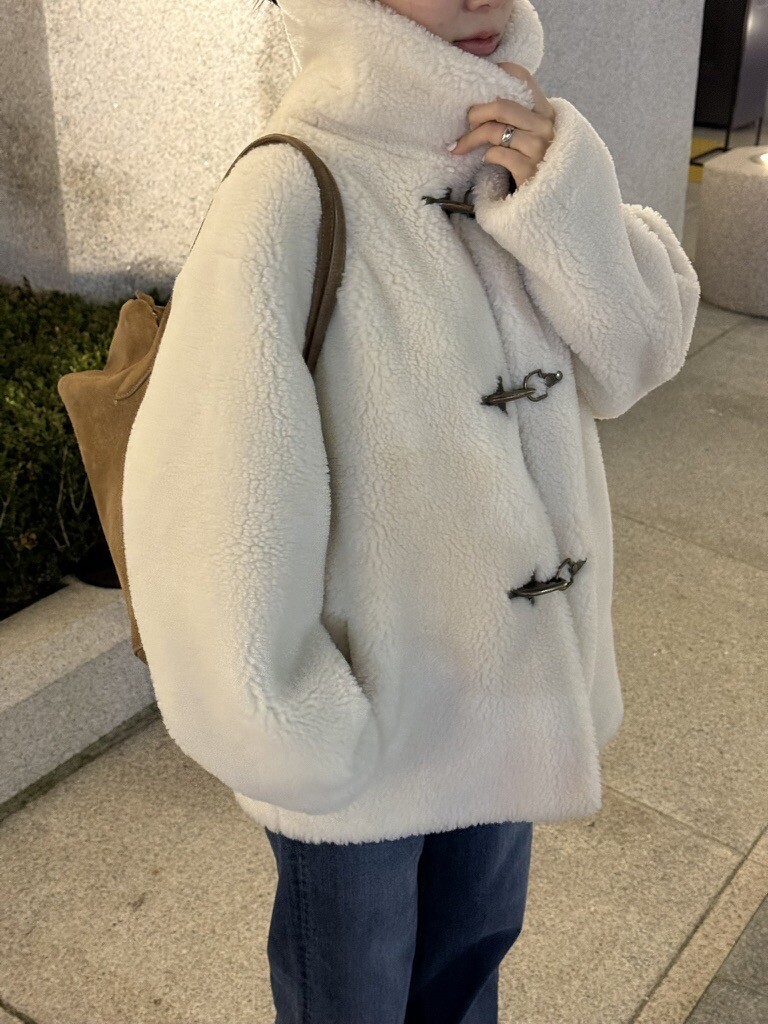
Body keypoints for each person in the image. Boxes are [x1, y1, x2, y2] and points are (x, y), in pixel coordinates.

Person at [121, 0, 701, 1020]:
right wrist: (293, 727)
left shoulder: (520, 153)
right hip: (365, 733)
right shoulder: (288, 186)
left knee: (466, 975)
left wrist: (562, 198)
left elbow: (638, 357)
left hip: (508, 700)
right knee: (353, 996)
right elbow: (210, 497)